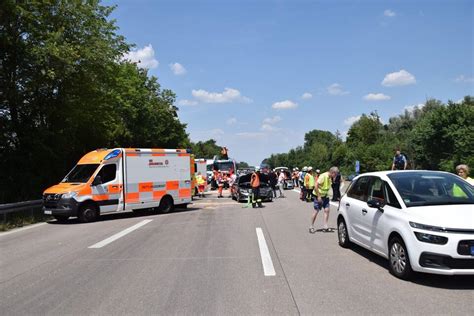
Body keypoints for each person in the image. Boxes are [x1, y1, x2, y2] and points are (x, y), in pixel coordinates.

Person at [309, 166, 339, 233]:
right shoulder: (323, 176)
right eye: (335, 174)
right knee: (316, 211)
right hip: (318, 196)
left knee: (327, 210)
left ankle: (325, 226)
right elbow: (316, 185)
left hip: (325, 196)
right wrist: (319, 196)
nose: (336, 176)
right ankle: (311, 226)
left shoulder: (330, 177)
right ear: (332, 172)